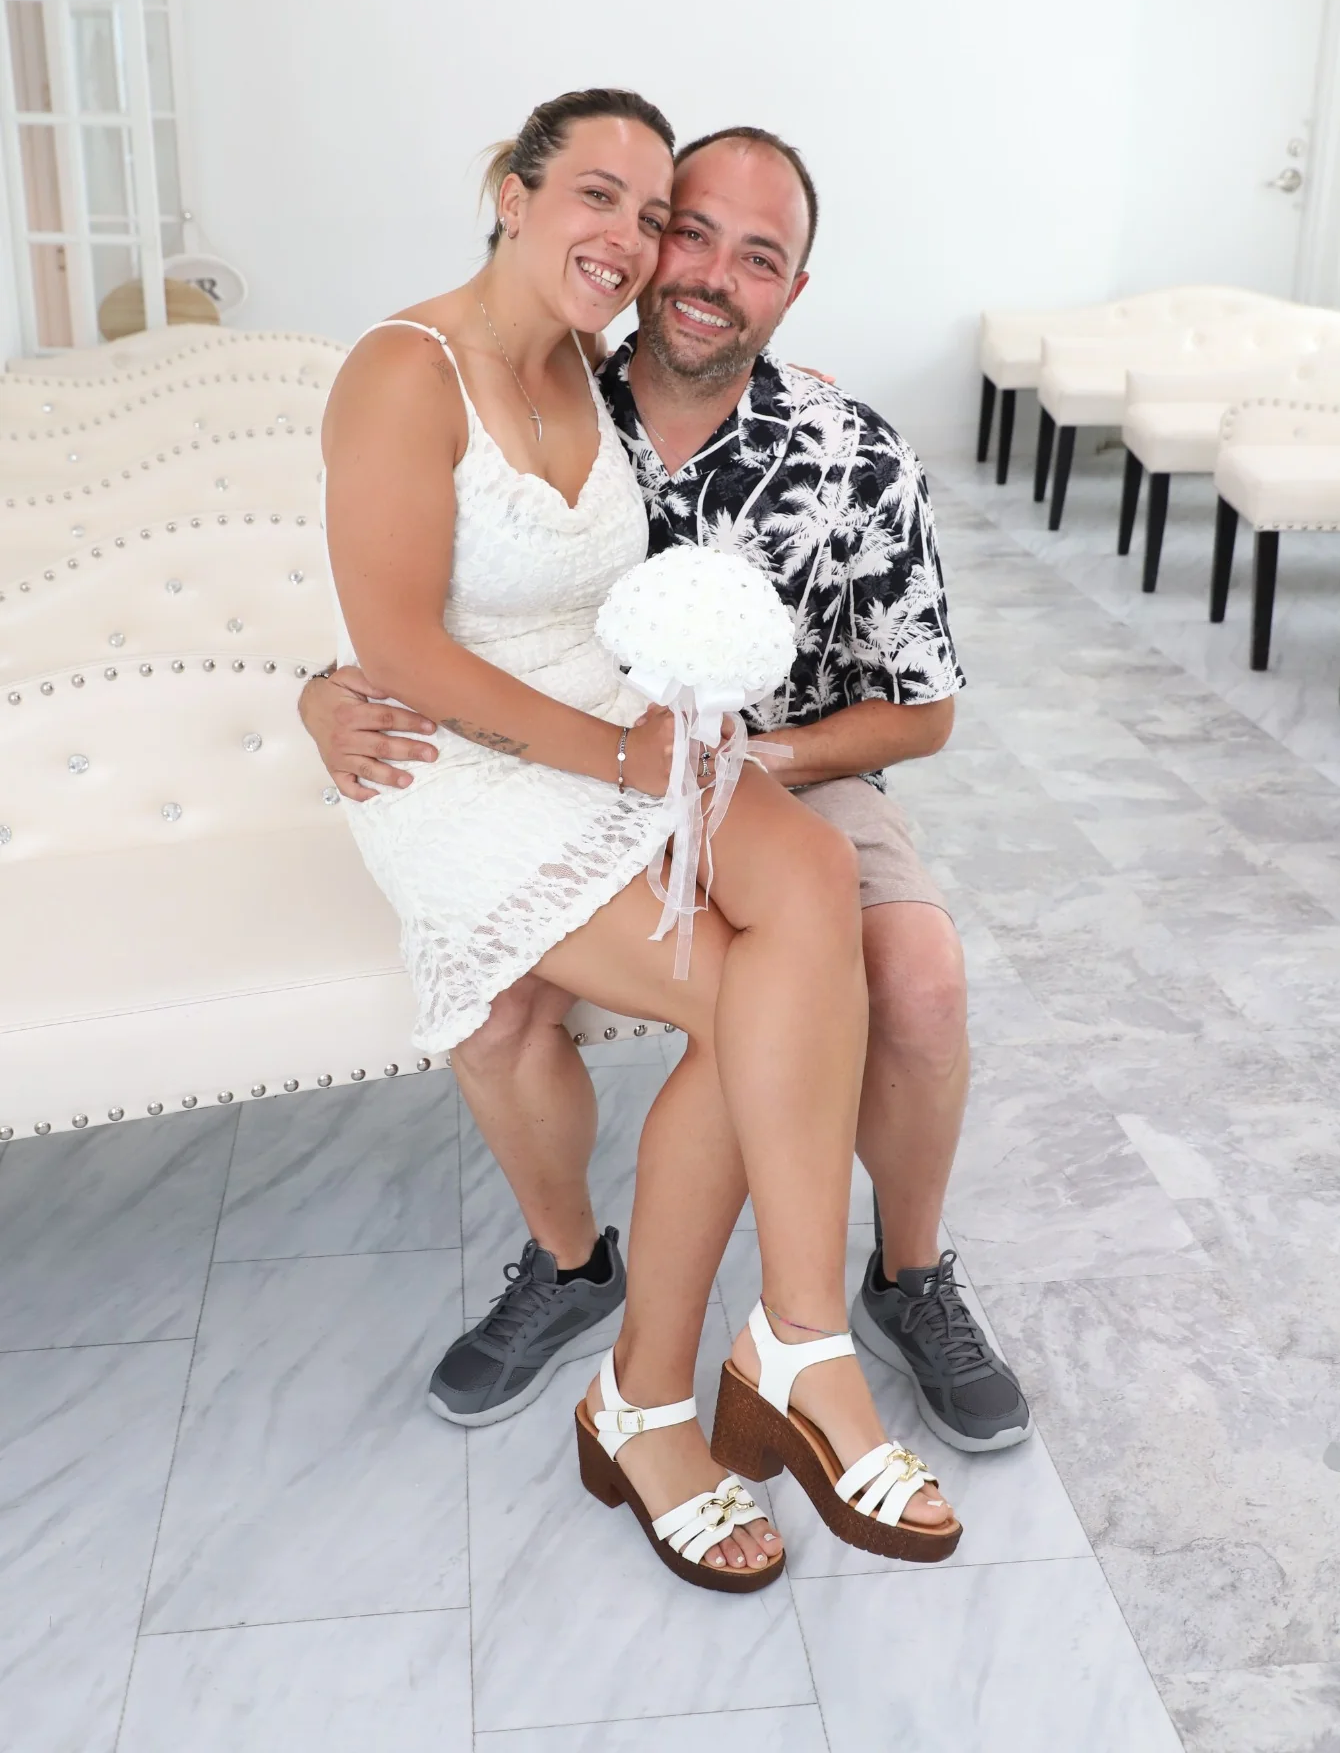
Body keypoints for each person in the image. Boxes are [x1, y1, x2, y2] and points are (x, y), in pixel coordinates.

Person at [304, 121, 1033, 1460]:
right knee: (511, 1002)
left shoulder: (853, 450)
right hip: (589, 756)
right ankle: (577, 1270)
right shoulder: (563, 374)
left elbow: (923, 710)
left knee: (914, 978)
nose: (704, 269)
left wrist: (769, 762)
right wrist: (324, 684)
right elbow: (427, 577)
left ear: (792, 291)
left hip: (792, 770)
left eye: (757, 256)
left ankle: (903, 1280)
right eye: (683, 230)